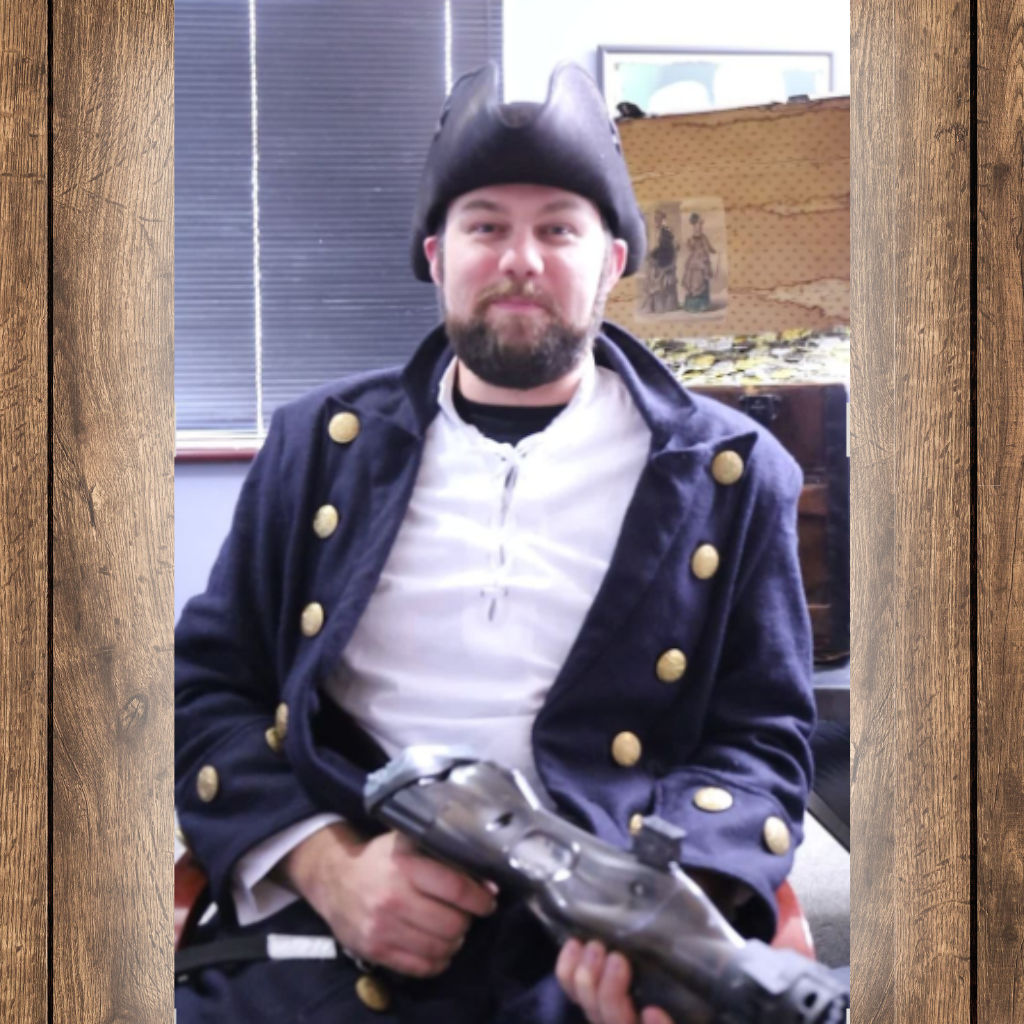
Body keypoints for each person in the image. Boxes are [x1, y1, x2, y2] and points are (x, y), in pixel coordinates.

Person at [175, 61, 815, 1024]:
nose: (521, 258)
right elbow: (207, 689)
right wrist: (325, 865)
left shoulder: (732, 475)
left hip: (587, 940)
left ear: (614, 262)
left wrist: (673, 922)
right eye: (486, 227)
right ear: (437, 256)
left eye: (558, 228)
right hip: (331, 929)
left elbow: (757, 742)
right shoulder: (314, 448)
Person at [642, 209, 680, 313]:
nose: (654, 222)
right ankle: (654, 305)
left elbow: (666, 249)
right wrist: (652, 254)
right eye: (654, 220)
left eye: (656, 220)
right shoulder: (661, 232)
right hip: (661, 259)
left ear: (661, 220)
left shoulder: (665, 233)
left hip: (665, 261)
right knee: (653, 280)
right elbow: (660, 248)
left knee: (660, 284)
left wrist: (654, 256)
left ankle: (661, 307)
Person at [681, 212, 717, 313]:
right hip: (696, 261)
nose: (701, 226)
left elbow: (709, 247)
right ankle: (693, 306)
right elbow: (690, 248)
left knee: (702, 281)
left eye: (701, 224)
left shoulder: (703, 237)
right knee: (693, 281)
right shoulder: (691, 238)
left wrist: (713, 251)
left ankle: (702, 305)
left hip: (702, 261)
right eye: (699, 224)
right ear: (695, 225)